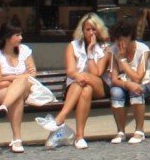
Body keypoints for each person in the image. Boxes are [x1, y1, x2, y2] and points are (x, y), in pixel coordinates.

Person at [36, 12, 110, 149]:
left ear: (99, 30)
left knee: (86, 78)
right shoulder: (72, 46)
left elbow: (97, 73)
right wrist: (78, 76)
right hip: (77, 85)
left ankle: (59, 118)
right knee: (86, 89)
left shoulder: (106, 48)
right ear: (82, 30)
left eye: (94, 29)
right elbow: (70, 70)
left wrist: (90, 51)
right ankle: (80, 137)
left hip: (99, 85)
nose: (91, 33)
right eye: (88, 29)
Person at [0, 23, 41, 153]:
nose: (21, 38)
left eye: (20, 34)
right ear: (7, 37)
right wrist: (16, 78)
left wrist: (8, 77)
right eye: (17, 35)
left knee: (22, 83)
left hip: (24, 87)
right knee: (17, 97)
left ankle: (4, 107)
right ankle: (17, 140)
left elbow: (32, 73)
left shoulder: (25, 50)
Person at [105, 17, 150, 144]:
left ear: (130, 36)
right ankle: (120, 131)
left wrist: (123, 60)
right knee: (116, 92)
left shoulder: (143, 50)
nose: (119, 43)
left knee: (136, 90)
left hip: (145, 83)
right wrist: (127, 84)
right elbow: (113, 78)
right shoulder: (113, 50)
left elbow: (138, 77)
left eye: (122, 38)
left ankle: (139, 131)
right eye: (116, 39)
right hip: (124, 84)